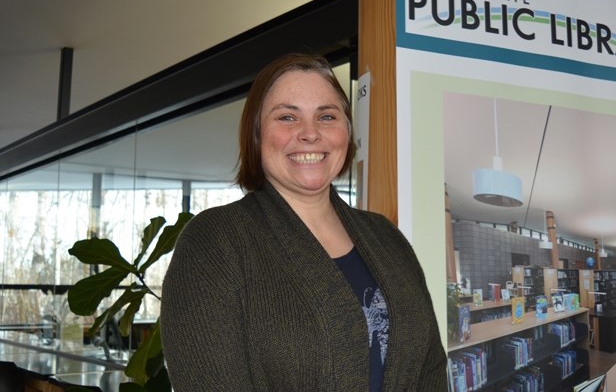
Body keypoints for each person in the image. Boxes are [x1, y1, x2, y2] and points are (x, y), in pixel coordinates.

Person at [160, 53, 446, 391]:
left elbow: (431, 369)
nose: (310, 134)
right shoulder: (214, 243)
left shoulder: (385, 236)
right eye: (286, 117)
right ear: (256, 134)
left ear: (347, 132)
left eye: (326, 116)